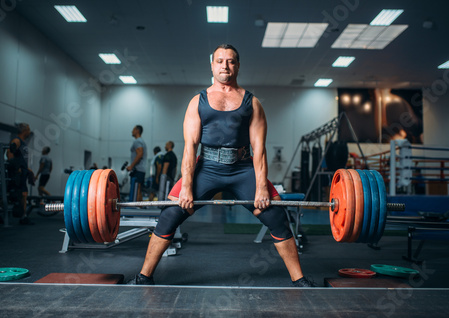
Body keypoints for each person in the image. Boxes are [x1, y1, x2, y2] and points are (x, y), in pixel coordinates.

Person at [130, 44, 314, 287]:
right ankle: (144, 277)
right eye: (220, 61)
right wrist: (186, 186)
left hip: (243, 169)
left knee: (277, 216)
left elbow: (259, 149)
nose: (225, 65)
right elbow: (190, 147)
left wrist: (260, 187)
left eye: (230, 61)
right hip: (206, 168)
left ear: (237, 65)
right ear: (212, 65)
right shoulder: (198, 101)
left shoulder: (252, 102)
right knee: (169, 215)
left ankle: (299, 279)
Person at [6, 123, 34, 225]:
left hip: (23, 171)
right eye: (28, 129)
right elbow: (9, 152)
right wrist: (15, 167)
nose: (29, 131)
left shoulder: (22, 142)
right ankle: (23, 216)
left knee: (23, 194)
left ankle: (23, 216)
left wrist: (27, 169)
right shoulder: (17, 141)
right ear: (24, 130)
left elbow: (20, 158)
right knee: (21, 194)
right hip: (17, 173)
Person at [126, 125, 147, 201]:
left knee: (137, 189)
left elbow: (140, 153)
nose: (132, 131)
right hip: (141, 169)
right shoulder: (141, 141)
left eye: (133, 129)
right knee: (138, 189)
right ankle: (139, 209)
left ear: (137, 130)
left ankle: (137, 209)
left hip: (138, 170)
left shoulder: (137, 141)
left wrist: (131, 166)